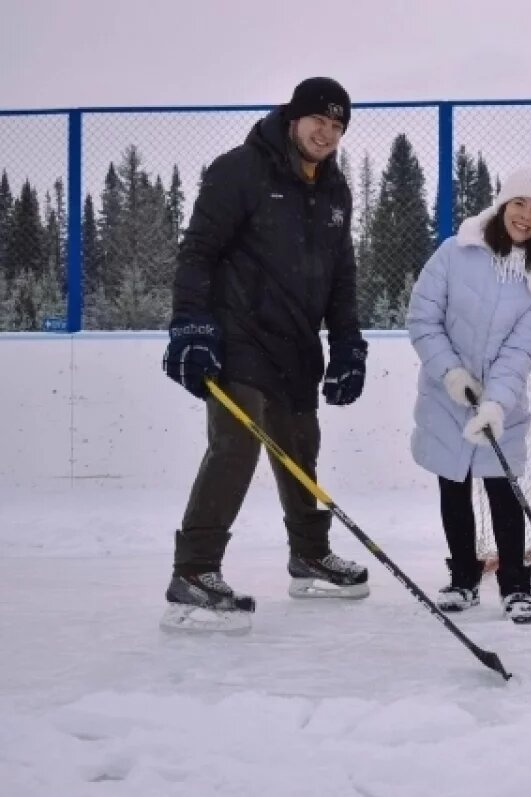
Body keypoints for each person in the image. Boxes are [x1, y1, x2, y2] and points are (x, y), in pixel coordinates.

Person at [160, 77, 370, 632]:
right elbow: (198, 252)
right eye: (318, 121)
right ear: (294, 118)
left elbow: (341, 276)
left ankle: (309, 555)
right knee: (237, 443)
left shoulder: (334, 191)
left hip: (296, 341)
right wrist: (192, 327)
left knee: (301, 445)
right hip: (238, 334)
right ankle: (196, 571)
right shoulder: (240, 170)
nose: (327, 133)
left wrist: (347, 342)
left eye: (338, 125)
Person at [406, 165, 531, 625]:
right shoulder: (454, 253)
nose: (526, 216)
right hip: (444, 395)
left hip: (504, 401)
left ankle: (515, 584)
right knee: (452, 485)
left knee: (503, 487)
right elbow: (423, 319)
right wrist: (452, 374)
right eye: (519, 203)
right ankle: (463, 578)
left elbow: (522, 350)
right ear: (502, 204)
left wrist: (496, 402)